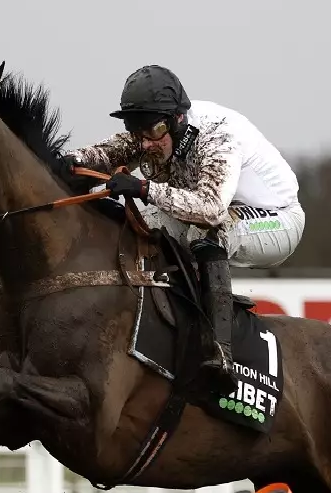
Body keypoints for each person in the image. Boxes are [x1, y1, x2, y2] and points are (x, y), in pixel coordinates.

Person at [60, 64, 304, 396]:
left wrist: (144, 189)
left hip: (277, 219)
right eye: (137, 131)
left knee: (208, 234)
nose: (145, 143)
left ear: (178, 120)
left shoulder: (217, 135)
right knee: (136, 226)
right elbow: (104, 154)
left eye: (153, 131)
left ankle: (221, 355)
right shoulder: (155, 130)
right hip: (214, 210)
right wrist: (60, 162)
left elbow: (210, 208)